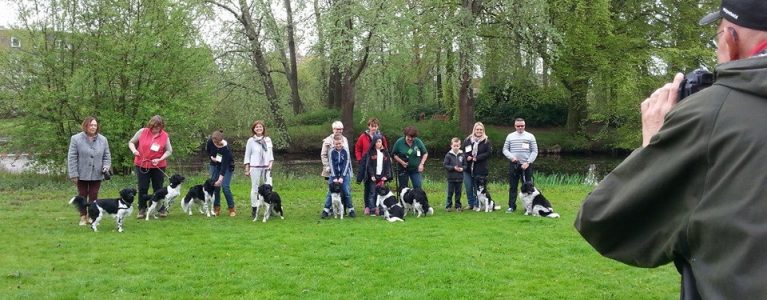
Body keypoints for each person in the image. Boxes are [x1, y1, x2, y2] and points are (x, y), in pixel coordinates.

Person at [575, 1, 767, 298]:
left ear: (731, 40)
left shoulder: (712, 114)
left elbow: (605, 222)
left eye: (717, 38)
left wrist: (654, 141)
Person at [67, 116, 112, 225]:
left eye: (95, 125)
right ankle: (83, 216)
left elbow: (107, 156)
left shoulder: (103, 139)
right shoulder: (76, 139)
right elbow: (72, 157)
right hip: (81, 173)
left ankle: (92, 216)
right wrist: (73, 174)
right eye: (91, 125)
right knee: (82, 195)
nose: (93, 127)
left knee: (94, 195)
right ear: (85, 126)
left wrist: (106, 167)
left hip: (97, 173)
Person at [129, 115, 172, 219]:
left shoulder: (164, 135)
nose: (156, 129)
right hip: (142, 164)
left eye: (158, 127)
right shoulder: (142, 131)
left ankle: (160, 208)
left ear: (161, 126)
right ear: (150, 125)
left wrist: (160, 159)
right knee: (143, 187)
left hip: (158, 165)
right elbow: (131, 142)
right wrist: (134, 150)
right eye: (154, 127)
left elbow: (169, 150)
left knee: (159, 187)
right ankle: (142, 209)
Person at [354, 118, 389, 216]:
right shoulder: (363, 137)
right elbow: (357, 148)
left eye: (375, 126)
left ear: (378, 127)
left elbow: (385, 149)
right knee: (368, 187)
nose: (373, 128)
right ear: (368, 126)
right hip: (366, 165)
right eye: (372, 126)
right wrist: (360, 159)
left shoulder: (381, 137)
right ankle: (367, 207)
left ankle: (378, 207)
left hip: (378, 166)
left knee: (378, 187)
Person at [502, 118, 537, 213]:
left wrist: (528, 162)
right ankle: (511, 206)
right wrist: (512, 157)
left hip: (526, 165)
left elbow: (535, 151)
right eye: (518, 126)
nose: (520, 127)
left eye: (522, 126)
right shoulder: (510, 136)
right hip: (514, 165)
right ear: (515, 126)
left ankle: (528, 207)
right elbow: (505, 150)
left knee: (528, 187)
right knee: (513, 186)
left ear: (524, 126)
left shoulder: (530, 136)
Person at [320, 121, 354, 218]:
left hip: (344, 171)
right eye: (337, 129)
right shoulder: (327, 140)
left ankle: (350, 209)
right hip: (331, 171)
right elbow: (324, 155)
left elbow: (347, 157)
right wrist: (327, 166)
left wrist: (347, 172)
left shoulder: (345, 139)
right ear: (333, 129)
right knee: (331, 191)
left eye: (340, 129)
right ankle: (326, 210)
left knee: (346, 190)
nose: (339, 131)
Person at [244, 120, 274, 219]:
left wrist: (270, 164)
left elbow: (270, 154)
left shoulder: (268, 140)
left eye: (260, 127)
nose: (259, 128)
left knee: (269, 187)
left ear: (263, 128)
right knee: (255, 188)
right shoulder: (251, 141)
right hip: (255, 167)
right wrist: (247, 169)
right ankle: (254, 208)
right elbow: (247, 155)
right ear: (254, 129)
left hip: (266, 167)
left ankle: (269, 207)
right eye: (257, 127)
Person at [462, 122, 492, 210]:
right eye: (477, 129)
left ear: (483, 130)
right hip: (468, 168)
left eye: (481, 129)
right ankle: (471, 204)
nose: (479, 131)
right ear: (474, 130)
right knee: (468, 187)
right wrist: (467, 157)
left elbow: (488, 153)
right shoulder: (468, 140)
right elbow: (463, 151)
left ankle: (478, 205)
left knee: (477, 188)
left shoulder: (486, 141)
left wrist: (477, 158)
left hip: (480, 168)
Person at [207, 130, 236, 217]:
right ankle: (216, 208)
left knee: (225, 187)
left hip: (227, 166)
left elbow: (224, 165)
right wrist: (212, 157)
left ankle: (231, 209)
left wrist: (220, 179)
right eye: (215, 143)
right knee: (216, 187)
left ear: (221, 141)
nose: (216, 145)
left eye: (218, 143)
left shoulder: (226, 148)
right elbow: (209, 151)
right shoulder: (210, 142)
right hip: (215, 165)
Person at [365, 136, 391, 216]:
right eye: (377, 142)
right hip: (374, 176)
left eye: (380, 142)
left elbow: (387, 165)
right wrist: (372, 175)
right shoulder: (371, 152)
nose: (378, 143)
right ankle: (372, 209)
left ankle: (381, 210)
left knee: (382, 193)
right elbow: (369, 165)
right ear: (374, 143)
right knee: (373, 193)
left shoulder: (385, 152)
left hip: (382, 176)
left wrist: (386, 175)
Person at [443, 137, 464, 212]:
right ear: (451, 146)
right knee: (450, 193)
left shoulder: (462, 155)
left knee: (458, 193)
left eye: (457, 146)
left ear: (460, 146)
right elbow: (445, 165)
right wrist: (453, 168)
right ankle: (448, 206)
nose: (456, 147)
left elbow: (465, 165)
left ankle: (458, 206)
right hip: (451, 178)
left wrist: (462, 169)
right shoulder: (448, 155)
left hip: (460, 178)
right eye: (454, 146)